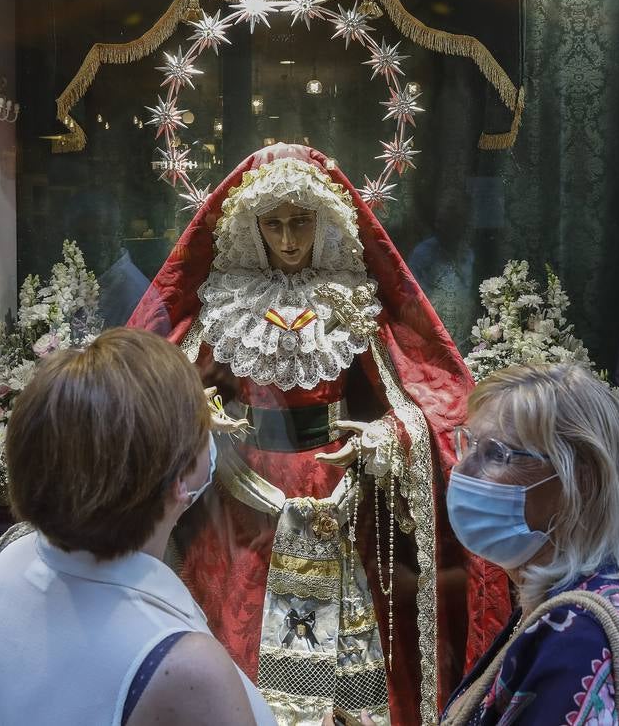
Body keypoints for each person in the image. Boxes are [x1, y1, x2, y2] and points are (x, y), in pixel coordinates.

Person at [129, 144, 510, 726]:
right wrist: (198, 415)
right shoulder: (224, 303)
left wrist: (385, 439)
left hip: (334, 489)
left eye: (301, 223)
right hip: (240, 504)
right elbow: (169, 390)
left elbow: (422, 401)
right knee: (239, 629)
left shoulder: (350, 299)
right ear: (252, 227)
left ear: (323, 222)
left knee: (340, 649)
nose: (287, 239)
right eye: (274, 224)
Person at [0, 328, 277, 726]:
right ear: (181, 479)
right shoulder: (186, 668)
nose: (213, 429)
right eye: (202, 423)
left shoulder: (12, 556)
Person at [436, 363, 619, 725]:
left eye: (495, 454)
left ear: (579, 480)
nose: (462, 470)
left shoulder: (578, 633)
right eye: (467, 444)